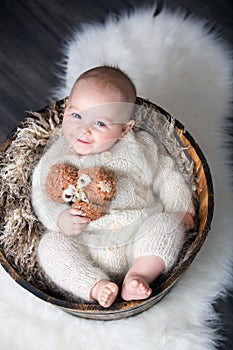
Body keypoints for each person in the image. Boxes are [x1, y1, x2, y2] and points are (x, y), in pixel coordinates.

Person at [31, 66, 195, 308]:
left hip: (138, 238)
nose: (83, 129)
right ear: (65, 110)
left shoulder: (141, 147)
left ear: (124, 129)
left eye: (99, 123)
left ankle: (138, 276)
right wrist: (60, 220)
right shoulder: (58, 156)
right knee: (50, 246)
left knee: (166, 224)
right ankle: (95, 286)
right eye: (76, 116)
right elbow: (41, 195)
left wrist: (181, 210)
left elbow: (167, 175)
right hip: (86, 245)